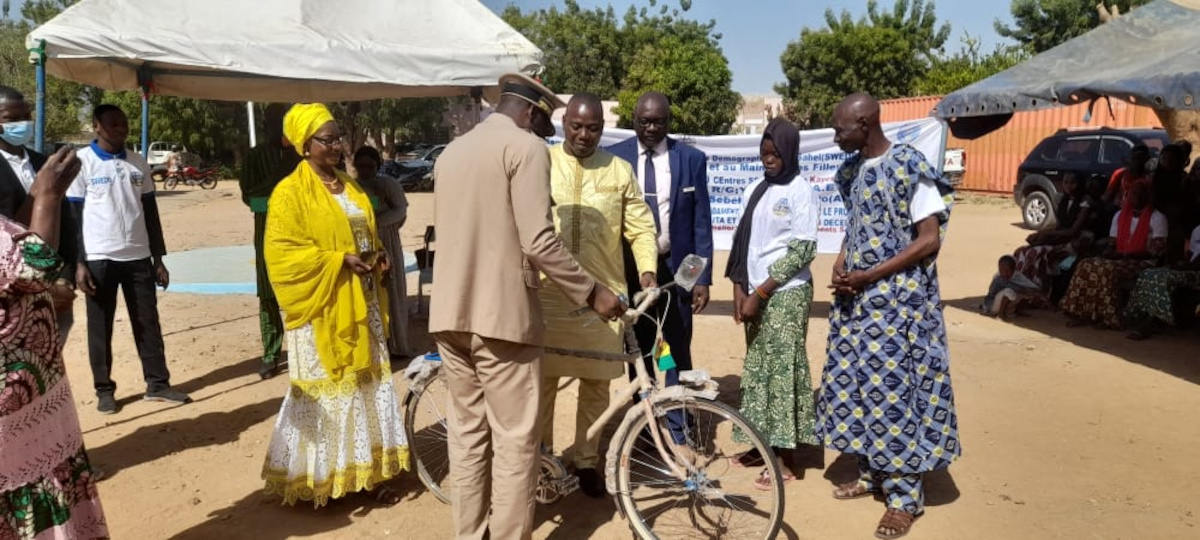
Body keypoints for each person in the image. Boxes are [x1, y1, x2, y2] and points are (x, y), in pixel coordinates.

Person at [430, 74, 624, 540]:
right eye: (547, 122)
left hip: (449, 317)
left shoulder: (452, 151)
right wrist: (593, 292)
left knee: (469, 437)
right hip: (503, 320)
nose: (548, 134)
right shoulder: (526, 149)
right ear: (533, 113)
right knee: (517, 442)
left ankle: (470, 534)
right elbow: (538, 239)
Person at [819, 94, 960, 540]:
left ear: (865, 123)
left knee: (895, 396)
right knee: (858, 387)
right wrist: (842, 264)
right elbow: (855, 225)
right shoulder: (851, 171)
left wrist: (871, 274)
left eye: (841, 128)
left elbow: (928, 239)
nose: (836, 136)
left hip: (898, 307)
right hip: (857, 304)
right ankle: (872, 472)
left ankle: (904, 498)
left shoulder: (908, 166)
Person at [261, 103, 408, 507]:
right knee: (329, 391)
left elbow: (365, 231)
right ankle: (322, 480)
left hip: (362, 305)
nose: (337, 146)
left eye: (338, 137)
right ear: (305, 145)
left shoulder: (353, 187)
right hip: (321, 310)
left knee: (367, 386)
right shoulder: (288, 194)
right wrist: (336, 261)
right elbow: (281, 255)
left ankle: (368, 474)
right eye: (327, 140)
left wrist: (377, 254)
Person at [537, 93, 658, 498]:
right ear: (563, 123)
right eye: (576, 126)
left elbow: (640, 227)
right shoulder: (542, 163)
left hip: (604, 296)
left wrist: (646, 271)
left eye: (593, 128)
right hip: (547, 295)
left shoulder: (620, 170)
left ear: (602, 130)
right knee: (543, 383)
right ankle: (543, 458)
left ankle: (587, 460)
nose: (584, 135)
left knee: (596, 385)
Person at [0, 145, 109, 540]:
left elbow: (13, 235)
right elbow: (34, 263)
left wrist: (40, 196)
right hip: (13, 411)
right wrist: (47, 195)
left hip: (34, 399)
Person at [68, 104, 190, 415]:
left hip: (138, 257)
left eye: (123, 124)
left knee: (148, 323)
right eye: (113, 124)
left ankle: (158, 384)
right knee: (100, 327)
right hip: (98, 258)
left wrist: (158, 259)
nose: (121, 128)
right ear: (97, 126)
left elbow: (150, 212)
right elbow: (73, 217)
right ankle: (104, 390)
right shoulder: (82, 163)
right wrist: (79, 263)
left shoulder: (138, 163)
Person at [724, 117, 819, 489]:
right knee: (757, 371)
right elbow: (741, 242)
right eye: (764, 153)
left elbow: (803, 249)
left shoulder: (800, 191)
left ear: (790, 152)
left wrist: (761, 292)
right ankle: (759, 445)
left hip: (786, 293)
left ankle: (787, 459)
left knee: (782, 372)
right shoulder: (756, 189)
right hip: (753, 294)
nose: (769, 159)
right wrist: (738, 288)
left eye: (775, 153)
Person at [607, 91, 714, 395]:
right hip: (632, 272)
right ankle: (643, 422)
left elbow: (700, 223)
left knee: (674, 344)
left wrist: (700, 279)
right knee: (639, 345)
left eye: (658, 122)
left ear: (669, 121)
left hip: (677, 268)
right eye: (644, 122)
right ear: (634, 121)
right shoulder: (616, 158)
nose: (651, 128)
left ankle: (678, 416)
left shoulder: (691, 159)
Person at [0, 85, 78, 346]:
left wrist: (64, 279)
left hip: (53, 289)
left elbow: (65, 221)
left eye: (26, 116)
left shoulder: (42, 162)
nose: (23, 124)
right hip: (10, 290)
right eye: (12, 118)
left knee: (49, 356)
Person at [239, 103, 301, 379]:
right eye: (274, 122)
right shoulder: (255, 157)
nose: (279, 128)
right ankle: (271, 354)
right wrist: (279, 176)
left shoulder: (303, 155)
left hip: (300, 233)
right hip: (266, 234)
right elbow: (248, 195)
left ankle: (304, 350)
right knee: (268, 296)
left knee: (303, 291)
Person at [1061, 183, 1168, 329]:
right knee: (1086, 264)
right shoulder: (1120, 215)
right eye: (1133, 193)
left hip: (1143, 261)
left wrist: (1126, 255)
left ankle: (1109, 318)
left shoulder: (1157, 218)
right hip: (1120, 258)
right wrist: (1108, 252)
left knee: (1107, 270)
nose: (1136, 197)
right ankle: (1082, 313)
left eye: (1141, 193)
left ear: (1148, 196)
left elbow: (1156, 251)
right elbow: (1112, 242)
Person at [352, 146, 410, 356]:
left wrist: (378, 223)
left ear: (377, 166)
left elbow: (401, 209)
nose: (365, 170)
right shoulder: (351, 187)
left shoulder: (388, 184)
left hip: (386, 240)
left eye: (370, 166)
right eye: (361, 166)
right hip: (362, 244)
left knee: (390, 289)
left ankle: (395, 343)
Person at [1014, 172, 1099, 291]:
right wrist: (1040, 236)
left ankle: (1039, 290)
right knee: (1021, 251)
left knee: (1038, 253)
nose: (1068, 186)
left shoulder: (1085, 202)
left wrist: (1046, 234)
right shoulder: (1064, 201)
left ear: (1080, 184)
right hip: (1062, 239)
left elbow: (1073, 231)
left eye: (1072, 183)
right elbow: (1059, 227)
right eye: (1065, 183)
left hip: (1076, 241)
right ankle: (1020, 286)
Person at [1124, 223, 1200, 340]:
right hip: (1190, 269)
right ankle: (1139, 315)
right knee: (1148, 273)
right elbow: (1191, 254)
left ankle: (1153, 321)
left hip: (1196, 272)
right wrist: (1183, 264)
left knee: (1160, 279)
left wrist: (1189, 266)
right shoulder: (1197, 230)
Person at [982, 255, 1044, 320]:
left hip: (1009, 304)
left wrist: (1035, 294)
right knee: (1008, 291)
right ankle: (1000, 315)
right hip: (992, 305)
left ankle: (1014, 311)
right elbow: (990, 295)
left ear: (1013, 270)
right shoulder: (998, 278)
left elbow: (1033, 287)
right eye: (1001, 269)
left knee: (1023, 293)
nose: (1004, 273)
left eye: (1007, 270)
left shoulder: (1018, 276)